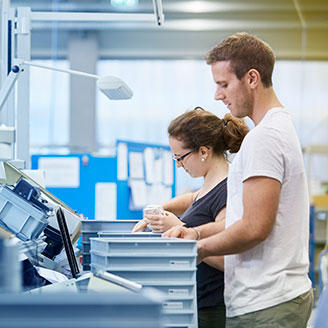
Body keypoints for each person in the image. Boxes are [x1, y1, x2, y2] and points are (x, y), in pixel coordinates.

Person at [164, 32, 313, 328]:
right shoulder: (276, 129)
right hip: (272, 297)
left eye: (223, 84)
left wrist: (199, 248)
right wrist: (195, 234)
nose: (218, 95)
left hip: (267, 301)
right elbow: (242, 219)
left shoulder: (264, 138)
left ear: (252, 78)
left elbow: (255, 227)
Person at [133, 107, 248, 328]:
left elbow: (228, 259)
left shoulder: (229, 189)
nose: (178, 165)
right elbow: (194, 198)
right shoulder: (210, 184)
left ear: (203, 151)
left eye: (180, 157)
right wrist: (160, 208)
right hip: (200, 301)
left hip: (214, 307)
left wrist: (180, 227)